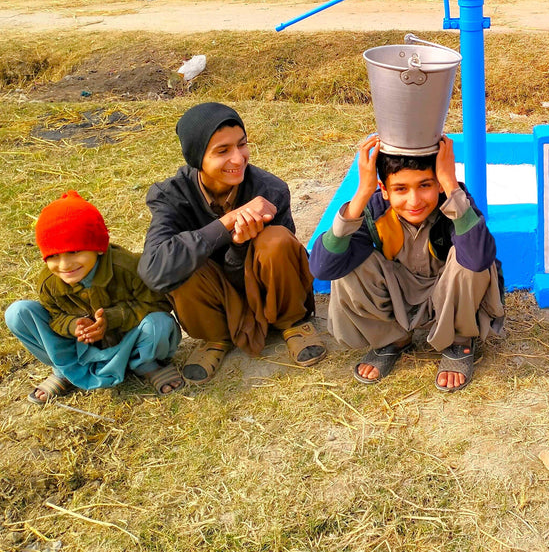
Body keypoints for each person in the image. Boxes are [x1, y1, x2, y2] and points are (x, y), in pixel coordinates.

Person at [139, 102, 325, 383]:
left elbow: (284, 266)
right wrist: (225, 225)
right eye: (222, 151)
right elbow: (154, 271)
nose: (238, 159)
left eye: (242, 144)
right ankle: (216, 337)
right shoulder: (170, 196)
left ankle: (292, 322)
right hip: (211, 297)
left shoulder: (269, 190)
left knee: (276, 240)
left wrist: (239, 248)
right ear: (197, 158)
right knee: (177, 260)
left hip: (263, 292)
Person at [310, 134, 504, 392]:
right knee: (345, 262)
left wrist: (450, 184)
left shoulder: (454, 201)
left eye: (425, 185)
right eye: (401, 189)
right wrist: (362, 194)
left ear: (438, 183)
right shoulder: (374, 210)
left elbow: (480, 258)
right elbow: (323, 268)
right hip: (399, 293)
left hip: (446, 294)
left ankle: (459, 341)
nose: (414, 202)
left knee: (470, 258)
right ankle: (392, 339)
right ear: (384, 190)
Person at [6, 191, 183, 404]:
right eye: (53, 256)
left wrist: (113, 318)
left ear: (98, 247)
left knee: (160, 323)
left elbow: (158, 302)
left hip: (129, 342)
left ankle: (146, 364)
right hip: (82, 348)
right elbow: (54, 316)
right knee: (17, 313)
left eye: (74, 252)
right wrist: (73, 326)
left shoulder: (128, 267)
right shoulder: (49, 282)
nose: (64, 265)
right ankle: (64, 370)